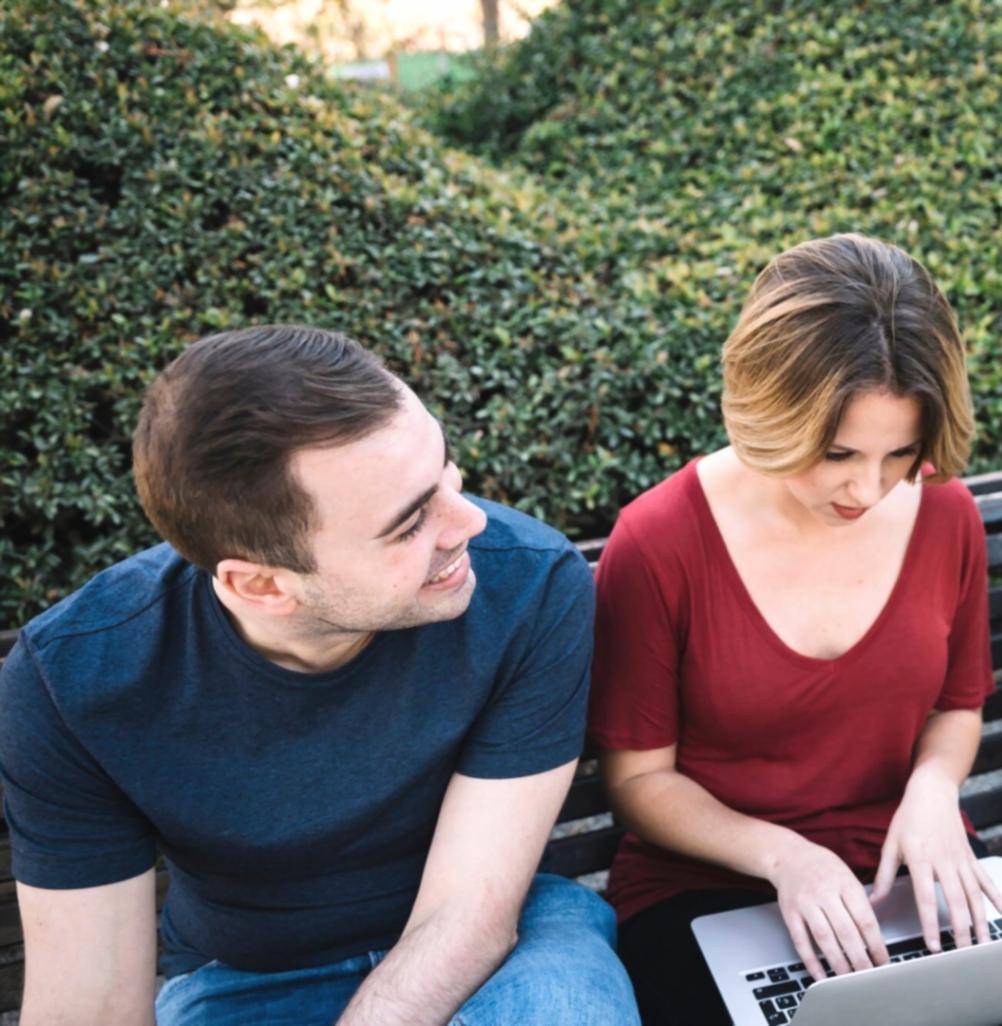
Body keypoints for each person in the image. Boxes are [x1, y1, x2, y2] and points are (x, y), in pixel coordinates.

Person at [0, 326, 640, 1026]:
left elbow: (470, 918)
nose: (470, 523)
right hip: (247, 978)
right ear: (263, 586)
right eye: (407, 525)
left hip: (510, 945)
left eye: (446, 470)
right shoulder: (74, 681)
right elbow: (89, 1008)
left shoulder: (527, 588)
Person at [588, 234, 1002, 1025]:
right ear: (771, 410)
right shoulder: (658, 543)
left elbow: (957, 707)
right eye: (837, 451)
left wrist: (930, 790)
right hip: (707, 883)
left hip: (905, 863)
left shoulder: (946, 513)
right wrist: (785, 857)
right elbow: (640, 782)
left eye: (901, 453)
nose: (870, 487)